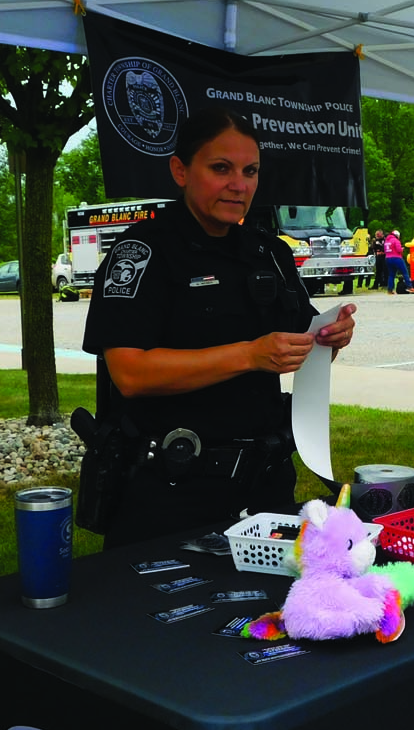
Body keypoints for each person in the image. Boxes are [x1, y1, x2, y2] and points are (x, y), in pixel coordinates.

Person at [81, 106, 356, 549]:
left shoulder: (268, 251)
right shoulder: (143, 252)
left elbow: (298, 341)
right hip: (171, 489)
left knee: (267, 612)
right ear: (180, 170)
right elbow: (130, 374)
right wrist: (249, 355)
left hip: (264, 484)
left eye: (250, 171)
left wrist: (329, 336)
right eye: (221, 168)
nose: (239, 184)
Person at [382, 229, 412, 294]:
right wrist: (402, 249)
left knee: (391, 275)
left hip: (388, 258)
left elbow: (385, 250)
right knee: (405, 272)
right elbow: (398, 250)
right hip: (396, 258)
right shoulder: (396, 240)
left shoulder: (386, 241)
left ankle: (390, 290)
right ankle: (410, 287)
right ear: (397, 235)